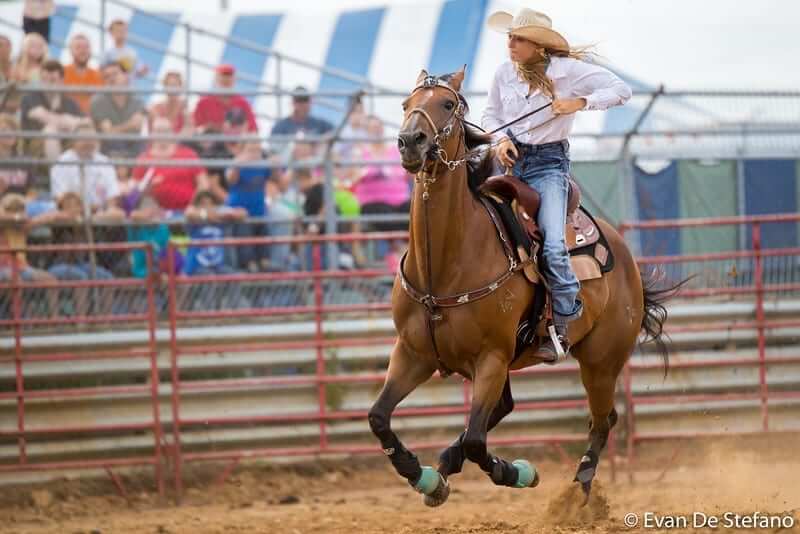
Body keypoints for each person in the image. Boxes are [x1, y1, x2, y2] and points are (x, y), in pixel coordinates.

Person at [482, 7, 631, 363]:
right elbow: (490, 115)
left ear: (539, 46)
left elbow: (620, 90)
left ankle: (565, 319)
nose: (510, 44)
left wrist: (580, 102)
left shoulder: (569, 72)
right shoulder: (503, 73)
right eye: (510, 37)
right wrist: (501, 139)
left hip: (549, 166)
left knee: (551, 245)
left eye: (518, 39)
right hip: (511, 161)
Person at [131, 116, 207, 211]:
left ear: (172, 132)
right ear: (152, 133)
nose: (162, 134)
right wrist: (149, 187)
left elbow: (204, 185)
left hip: (189, 212)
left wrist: (193, 205)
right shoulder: (144, 159)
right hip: (155, 213)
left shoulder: (189, 154)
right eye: (158, 130)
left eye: (166, 130)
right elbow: (134, 190)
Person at [20, 60, 86, 160]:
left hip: (67, 143)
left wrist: (74, 123)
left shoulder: (70, 102)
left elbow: (84, 123)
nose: (48, 83)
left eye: (52, 79)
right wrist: (66, 120)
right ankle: (56, 171)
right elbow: (39, 114)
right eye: (44, 79)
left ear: (62, 80)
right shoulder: (30, 98)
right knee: (50, 131)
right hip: (36, 146)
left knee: (85, 134)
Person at [50, 123, 123, 214]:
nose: (88, 143)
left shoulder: (105, 162)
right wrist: (84, 209)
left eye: (92, 139)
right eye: (84, 139)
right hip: (70, 214)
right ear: (74, 141)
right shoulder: (62, 163)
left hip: (100, 214)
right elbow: (60, 199)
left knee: (116, 214)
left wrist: (107, 210)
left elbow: (112, 198)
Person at [225, 141, 272, 272]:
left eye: (257, 151)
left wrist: (275, 163)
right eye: (251, 150)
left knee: (263, 231)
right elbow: (230, 179)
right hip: (240, 213)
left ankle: (265, 263)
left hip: (259, 212)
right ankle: (249, 264)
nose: (255, 154)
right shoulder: (236, 165)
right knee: (244, 230)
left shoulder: (263, 166)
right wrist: (239, 163)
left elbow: (277, 180)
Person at [90, 61, 145, 158]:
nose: (111, 78)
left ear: (126, 76)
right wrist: (130, 125)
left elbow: (138, 126)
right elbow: (108, 133)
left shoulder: (137, 98)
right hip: (109, 148)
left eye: (115, 74)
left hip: (133, 145)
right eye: (107, 76)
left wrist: (124, 128)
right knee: (115, 142)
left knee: (143, 144)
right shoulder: (98, 101)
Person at [193, 64, 257, 134]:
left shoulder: (242, 102)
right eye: (223, 76)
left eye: (229, 76)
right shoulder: (204, 101)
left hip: (235, 141)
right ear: (216, 78)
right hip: (209, 141)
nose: (226, 79)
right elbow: (195, 127)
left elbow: (253, 129)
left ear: (234, 79)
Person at [63, 33, 104, 114]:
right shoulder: (61, 73)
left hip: (93, 120)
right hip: (68, 119)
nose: (83, 50)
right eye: (78, 47)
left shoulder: (98, 75)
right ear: (70, 50)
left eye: (86, 47)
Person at [148, 70, 193, 135]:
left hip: (179, 143)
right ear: (164, 88)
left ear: (181, 87)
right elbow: (152, 133)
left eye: (175, 86)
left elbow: (189, 131)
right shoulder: (156, 108)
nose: (172, 89)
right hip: (159, 142)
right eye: (169, 86)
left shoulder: (186, 109)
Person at [0, 115, 30, 197]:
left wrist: (27, 201)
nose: (10, 133)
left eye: (13, 129)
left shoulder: (26, 160)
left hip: (21, 204)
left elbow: (32, 190)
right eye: (4, 130)